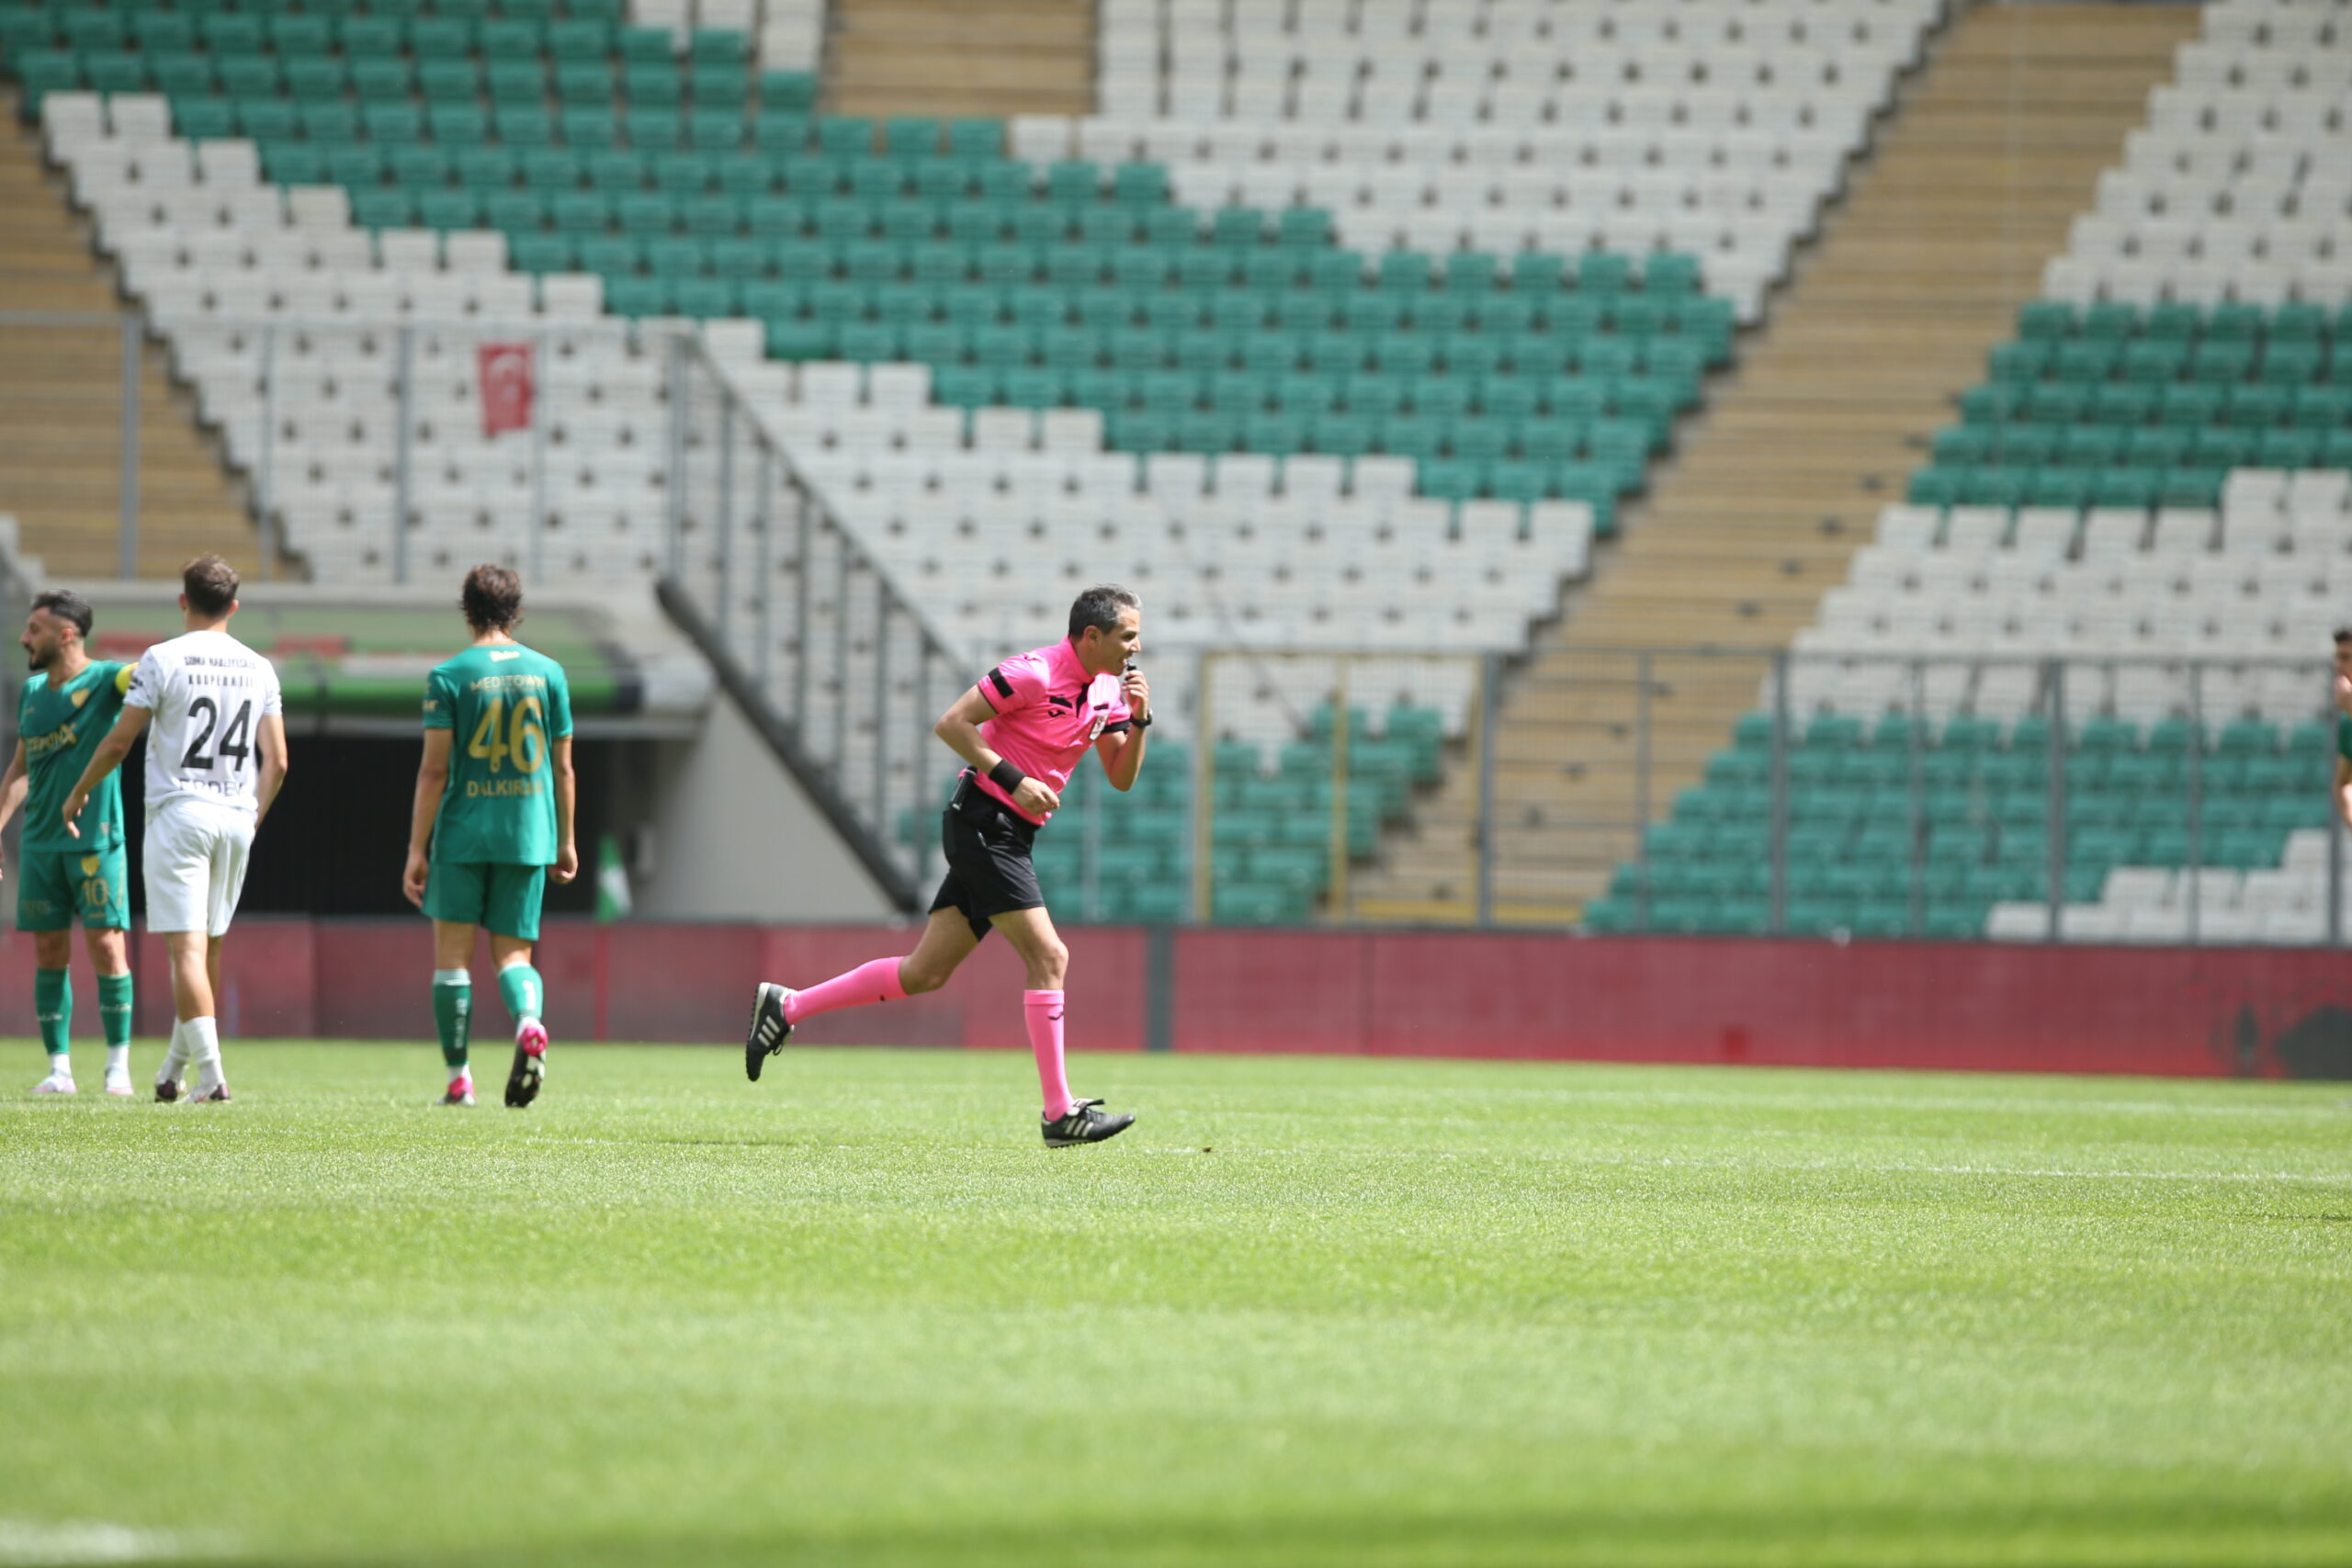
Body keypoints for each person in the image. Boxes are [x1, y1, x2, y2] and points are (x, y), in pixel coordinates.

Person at [743, 584, 1150, 1147]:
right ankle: (1059, 1113)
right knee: (1050, 955)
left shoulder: (1107, 691)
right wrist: (1016, 780)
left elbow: (1121, 776)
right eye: (1128, 635)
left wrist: (1140, 721)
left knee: (925, 973)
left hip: (1013, 834)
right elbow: (953, 723)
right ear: (1092, 636)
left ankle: (787, 1005)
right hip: (983, 822)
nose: (1136, 645)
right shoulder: (1033, 672)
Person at [63, 557, 288, 1103]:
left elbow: (119, 742)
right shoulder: (260, 667)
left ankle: (211, 1077)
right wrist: (250, 819)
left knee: (185, 953)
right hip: (236, 817)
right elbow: (277, 761)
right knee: (208, 949)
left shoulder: (162, 659)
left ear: (183, 600)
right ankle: (172, 1072)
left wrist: (79, 791)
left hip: (181, 813)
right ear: (233, 607)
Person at [402, 564, 576, 1109]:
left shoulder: (450, 676)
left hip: (464, 833)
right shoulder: (549, 673)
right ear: (516, 610)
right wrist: (566, 839)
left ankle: (460, 1080)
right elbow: (564, 768)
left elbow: (433, 772)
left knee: (453, 960)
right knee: (514, 957)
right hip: (530, 833)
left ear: (467, 610)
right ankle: (528, 1021)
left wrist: (416, 848)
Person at [0, 592, 138, 1096]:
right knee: (49, 950)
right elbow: (22, 768)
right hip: (40, 844)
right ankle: (59, 1069)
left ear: (66, 635)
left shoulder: (107, 680)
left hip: (98, 843)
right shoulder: (33, 690)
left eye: (34, 629)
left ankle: (117, 1067)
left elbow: (143, 674)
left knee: (106, 946)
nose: (23, 638)